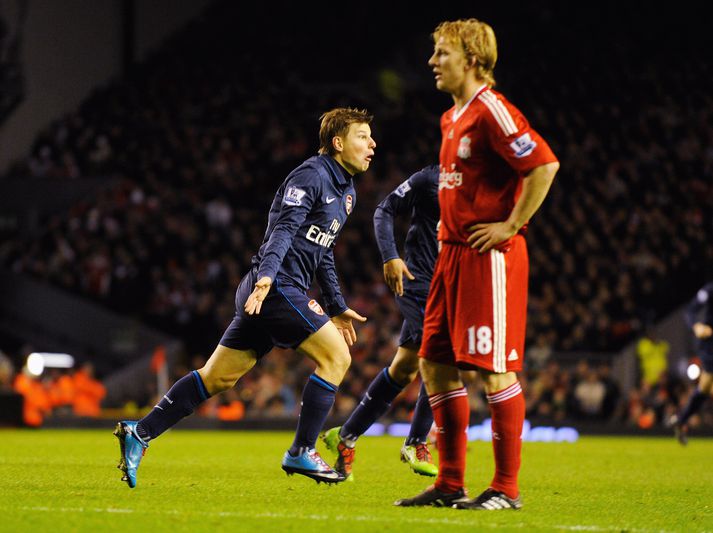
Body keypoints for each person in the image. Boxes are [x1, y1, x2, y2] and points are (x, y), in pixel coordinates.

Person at [114, 108, 375, 488]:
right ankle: (302, 450)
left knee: (217, 377)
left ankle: (140, 433)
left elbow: (324, 250)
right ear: (338, 143)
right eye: (363, 136)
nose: (372, 144)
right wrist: (267, 278)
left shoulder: (346, 191)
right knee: (337, 357)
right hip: (275, 288)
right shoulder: (311, 176)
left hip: (278, 291)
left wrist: (336, 306)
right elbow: (282, 230)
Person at [395, 19, 559, 510]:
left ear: (470, 59)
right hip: (450, 256)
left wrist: (510, 225)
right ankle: (450, 483)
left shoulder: (493, 110)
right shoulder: (452, 117)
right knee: (435, 364)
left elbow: (543, 165)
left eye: (442, 53)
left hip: (489, 258)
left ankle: (506, 489)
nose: (432, 62)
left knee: (494, 372)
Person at [323, 165, 439, 480]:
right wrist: (390, 256)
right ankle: (416, 442)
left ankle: (345, 437)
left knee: (404, 368)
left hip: (448, 289)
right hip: (416, 281)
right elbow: (385, 209)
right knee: (441, 355)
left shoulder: (483, 189)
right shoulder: (431, 179)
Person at [669, 281, 713, 445]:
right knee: (707, 385)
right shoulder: (710, 290)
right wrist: (697, 326)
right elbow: (690, 310)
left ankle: (681, 420)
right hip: (710, 344)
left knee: (706, 387)